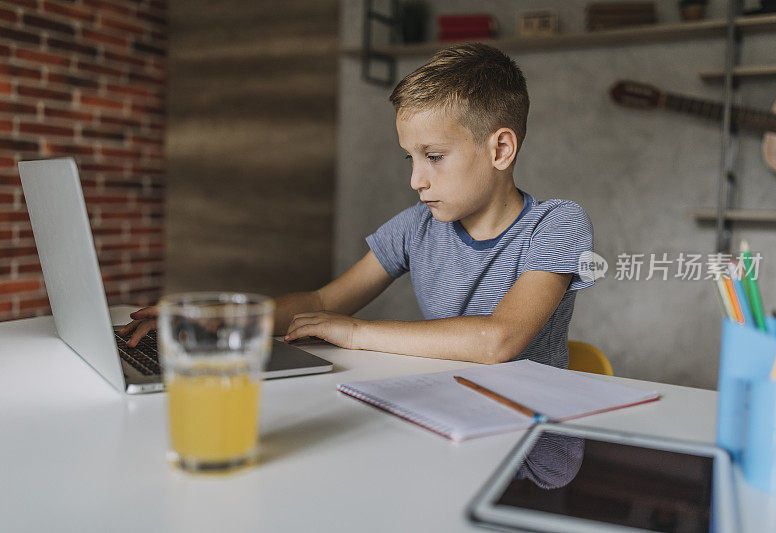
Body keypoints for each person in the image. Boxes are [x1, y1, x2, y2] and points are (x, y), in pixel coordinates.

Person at [121, 42, 593, 367]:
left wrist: (355, 332)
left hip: (529, 447)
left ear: (500, 150)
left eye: (433, 157)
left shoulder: (556, 224)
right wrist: (213, 315)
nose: (415, 180)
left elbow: (499, 339)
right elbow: (322, 302)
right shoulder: (415, 228)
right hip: (449, 414)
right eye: (410, 158)